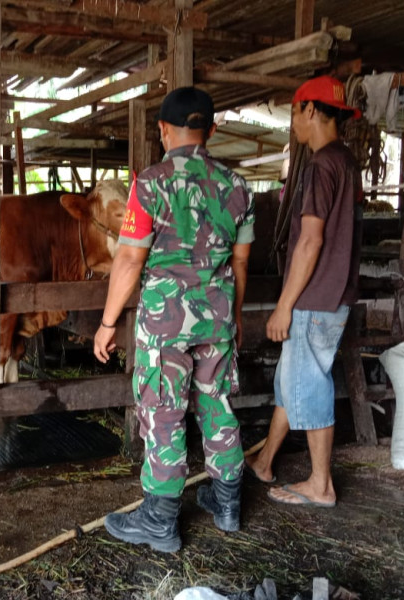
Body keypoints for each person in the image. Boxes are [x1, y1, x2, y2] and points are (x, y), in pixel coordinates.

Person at [94, 86, 255, 552]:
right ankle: (227, 505)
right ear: (211, 130)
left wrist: (107, 324)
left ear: (163, 130)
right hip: (218, 319)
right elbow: (241, 264)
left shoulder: (150, 183)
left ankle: (160, 523)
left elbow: (128, 261)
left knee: (164, 411)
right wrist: (236, 316)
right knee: (217, 404)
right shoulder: (237, 187)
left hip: (166, 326)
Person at [245, 75, 363, 508]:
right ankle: (265, 461)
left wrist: (283, 306)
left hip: (315, 299)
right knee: (290, 380)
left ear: (310, 110)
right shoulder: (346, 162)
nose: (291, 122)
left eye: (293, 112)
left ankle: (321, 483)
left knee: (308, 385)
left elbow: (311, 241)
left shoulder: (320, 166)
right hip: (335, 295)